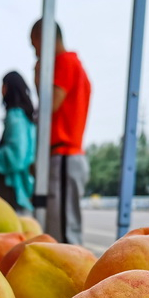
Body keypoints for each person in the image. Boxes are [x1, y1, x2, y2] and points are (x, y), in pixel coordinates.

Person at [31, 19, 91, 245]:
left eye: (35, 45)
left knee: (65, 234)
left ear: (43, 39)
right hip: (63, 156)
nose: (35, 53)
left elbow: (50, 105)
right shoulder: (73, 64)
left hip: (64, 155)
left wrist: (39, 77)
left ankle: (76, 280)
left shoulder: (65, 62)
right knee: (61, 229)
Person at [0, 71, 37, 212]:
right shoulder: (26, 116)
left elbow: (16, 155)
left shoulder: (15, 115)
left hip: (11, 184)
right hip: (21, 182)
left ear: (8, 88)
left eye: (3, 85)